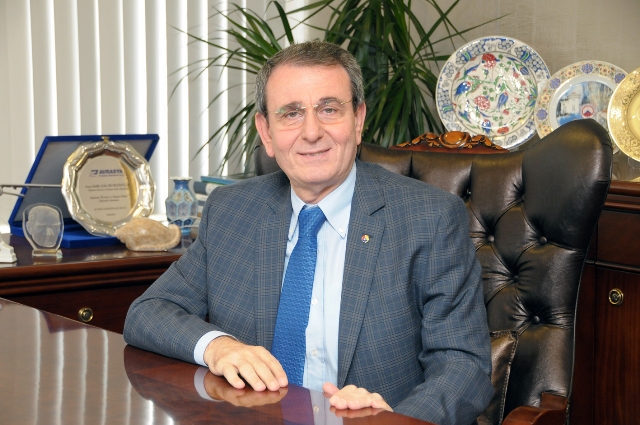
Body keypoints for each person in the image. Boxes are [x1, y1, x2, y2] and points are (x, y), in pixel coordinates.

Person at [124, 40, 492, 425]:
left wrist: (395, 421)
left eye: (329, 109)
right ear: (266, 132)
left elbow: (464, 366)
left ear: (358, 119)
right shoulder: (231, 211)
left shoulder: (430, 218)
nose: (312, 132)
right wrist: (218, 347)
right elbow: (148, 313)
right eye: (291, 113)